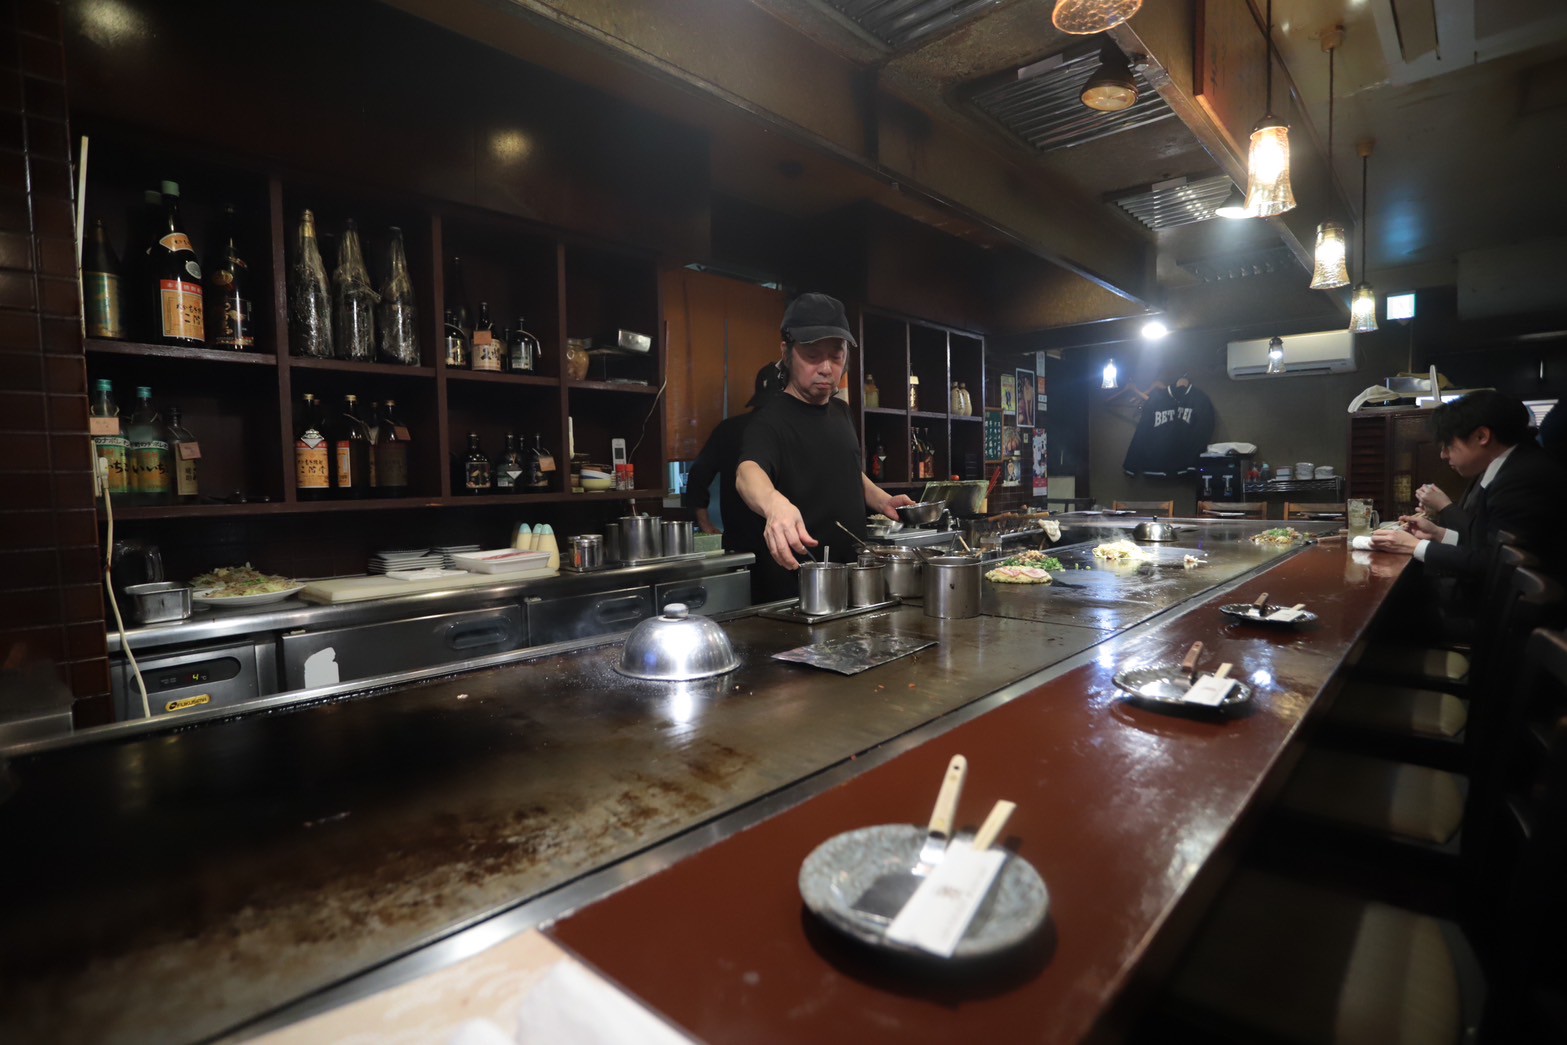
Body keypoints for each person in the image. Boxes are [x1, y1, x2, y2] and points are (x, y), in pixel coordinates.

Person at [736, 292, 915, 601]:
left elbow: (845, 469)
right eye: (812, 355)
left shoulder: (841, 412)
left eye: (836, 356)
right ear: (787, 353)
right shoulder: (769, 421)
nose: (826, 368)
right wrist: (774, 504)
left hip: (853, 582)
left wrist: (882, 499)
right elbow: (747, 472)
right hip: (798, 593)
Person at [1371, 390, 1564, 599]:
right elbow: (1486, 545)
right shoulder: (1513, 466)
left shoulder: (1521, 478)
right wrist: (1438, 534)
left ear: (1482, 436)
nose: (1443, 455)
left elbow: (1492, 564)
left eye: (1448, 444)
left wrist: (1414, 546)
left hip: (1509, 611)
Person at [679, 362, 784, 556]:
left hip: (739, 545)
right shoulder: (788, 430)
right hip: (785, 544)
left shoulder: (728, 429)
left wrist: (705, 523)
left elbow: (698, 475)